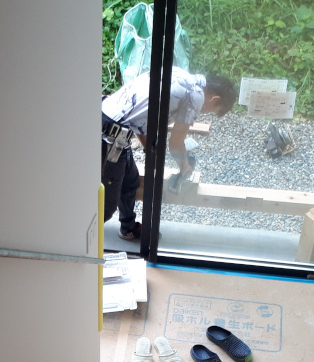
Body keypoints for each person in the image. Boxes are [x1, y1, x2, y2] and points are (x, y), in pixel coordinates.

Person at [101, 68, 237, 240]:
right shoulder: (195, 96)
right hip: (108, 136)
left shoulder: (179, 74)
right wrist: (185, 166)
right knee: (107, 207)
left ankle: (128, 228)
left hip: (110, 123)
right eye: (212, 110)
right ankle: (79, 241)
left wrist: (150, 149)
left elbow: (141, 115)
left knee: (130, 182)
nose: (204, 112)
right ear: (214, 98)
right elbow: (176, 143)